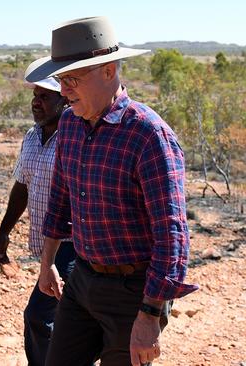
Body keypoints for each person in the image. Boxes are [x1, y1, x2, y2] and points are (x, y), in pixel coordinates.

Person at [24, 16, 199, 366]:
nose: (63, 91)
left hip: (132, 291)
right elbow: (60, 200)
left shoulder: (148, 135)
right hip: (82, 278)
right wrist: (47, 265)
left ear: (108, 70)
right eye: (61, 79)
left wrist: (150, 314)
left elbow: (172, 235)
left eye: (72, 79)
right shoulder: (71, 123)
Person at [0, 77, 83, 366]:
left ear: (65, 100)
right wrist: (4, 232)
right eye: (35, 95)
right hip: (49, 247)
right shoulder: (31, 137)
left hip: (75, 244)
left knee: (39, 316)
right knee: (65, 321)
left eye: (45, 96)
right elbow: (22, 188)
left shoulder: (77, 138)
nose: (36, 102)